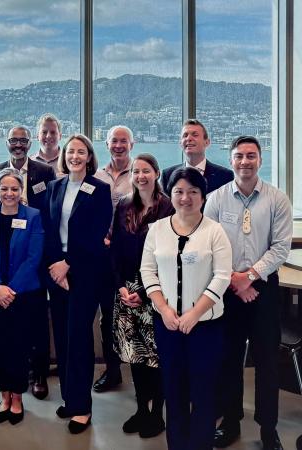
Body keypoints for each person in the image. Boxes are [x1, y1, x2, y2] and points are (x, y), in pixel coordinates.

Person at [206, 136, 292, 450]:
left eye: (251, 156)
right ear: (230, 160)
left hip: (263, 291)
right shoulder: (215, 199)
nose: (245, 161)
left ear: (260, 159)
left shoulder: (277, 199)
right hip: (227, 289)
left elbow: (281, 248)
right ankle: (230, 423)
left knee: (268, 361)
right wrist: (235, 281)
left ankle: (268, 429)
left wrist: (250, 277)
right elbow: (210, 246)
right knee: (228, 360)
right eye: (239, 156)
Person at [140, 167, 232, 450]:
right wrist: (165, 310)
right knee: (174, 391)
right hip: (167, 325)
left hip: (206, 326)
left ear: (203, 196)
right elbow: (147, 271)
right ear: (170, 194)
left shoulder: (214, 231)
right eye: (179, 191)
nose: (186, 198)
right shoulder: (157, 230)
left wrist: (195, 313)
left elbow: (222, 276)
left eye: (193, 192)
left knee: (203, 392)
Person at [42, 133, 112, 434]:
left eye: (81, 152)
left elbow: (97, 236)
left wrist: (69, 264)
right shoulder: (55, 187)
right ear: (64, 155)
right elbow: (48, 229)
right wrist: (57, 266)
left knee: (79, 339)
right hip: (57, 273)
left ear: (89, 156)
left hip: (84, 272)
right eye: (71, 152)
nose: (75, 156)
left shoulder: (100, 189)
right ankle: (70, 399)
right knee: (63, 335)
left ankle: (82, 407)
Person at [0, 125, 55, 400]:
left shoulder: (44, 173)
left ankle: (38, 374)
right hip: (0, 265)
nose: (18, 145)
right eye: (13, 140)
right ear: (6, 143)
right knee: (3, 336)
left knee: (35, 327)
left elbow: (47, 214)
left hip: (32, 263)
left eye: (23, 140)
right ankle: (9, 388)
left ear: (29, 143)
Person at [109, 153, 173, 438]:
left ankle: (157, 413)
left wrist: (147, 293)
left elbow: (171, 256)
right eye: (136, 171)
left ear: (156, 173)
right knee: (135, 354)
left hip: (157, 291)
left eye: (146, 171)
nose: (141, 176)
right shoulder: (123, 205)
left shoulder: (168, 207)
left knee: (156, 355)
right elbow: (115, 250)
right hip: (127, 291)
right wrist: (121, 286)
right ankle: (141, 409)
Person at [0, 168, 44, 425]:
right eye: (4, 188)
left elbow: (33, 257)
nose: (9, 193)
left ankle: (18, 397)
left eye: (14, 188)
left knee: (19, 347)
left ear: (21, 190)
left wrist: (10, 290)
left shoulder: (34, 216)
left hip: (23, 295)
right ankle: (4, 395)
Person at [92, 125, 136, 394]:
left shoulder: (141, 174)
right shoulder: (96, 176)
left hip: (130, 255)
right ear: (106, 144)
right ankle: (113, 370)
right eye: (113, 141)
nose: (118, 145)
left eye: (123, 141)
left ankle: (143, 371)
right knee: (107, 316)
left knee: (133, 314)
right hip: (101, 256)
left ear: (132, 143)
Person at [161, 119, 233, 195]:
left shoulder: (225, 176)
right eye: (185, 135)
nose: (189, 138)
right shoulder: (168, 175)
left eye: (195, 135)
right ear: (180, 143)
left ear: (207, 142)